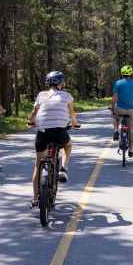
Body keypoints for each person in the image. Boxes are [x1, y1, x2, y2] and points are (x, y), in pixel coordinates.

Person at [27, 71, 79, 207]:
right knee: (68, 145)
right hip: (59, 133)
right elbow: (71, 112)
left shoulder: (41, 95)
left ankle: (35, 198)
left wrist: (30, 121)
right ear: (61, 83)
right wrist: (74, 123)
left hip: (42, 133)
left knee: (38, 164)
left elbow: (34, 112)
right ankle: (63, 168)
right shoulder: (67, 96)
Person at [111, 64, 133, 157]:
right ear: (131, 73)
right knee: (131, 129)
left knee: (115, 118)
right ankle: (131, 149)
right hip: (130, 110)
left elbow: (115, 97)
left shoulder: (118, 83)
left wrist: (113, 107)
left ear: (122, 73)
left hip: (120, 109)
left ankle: (116, 131)